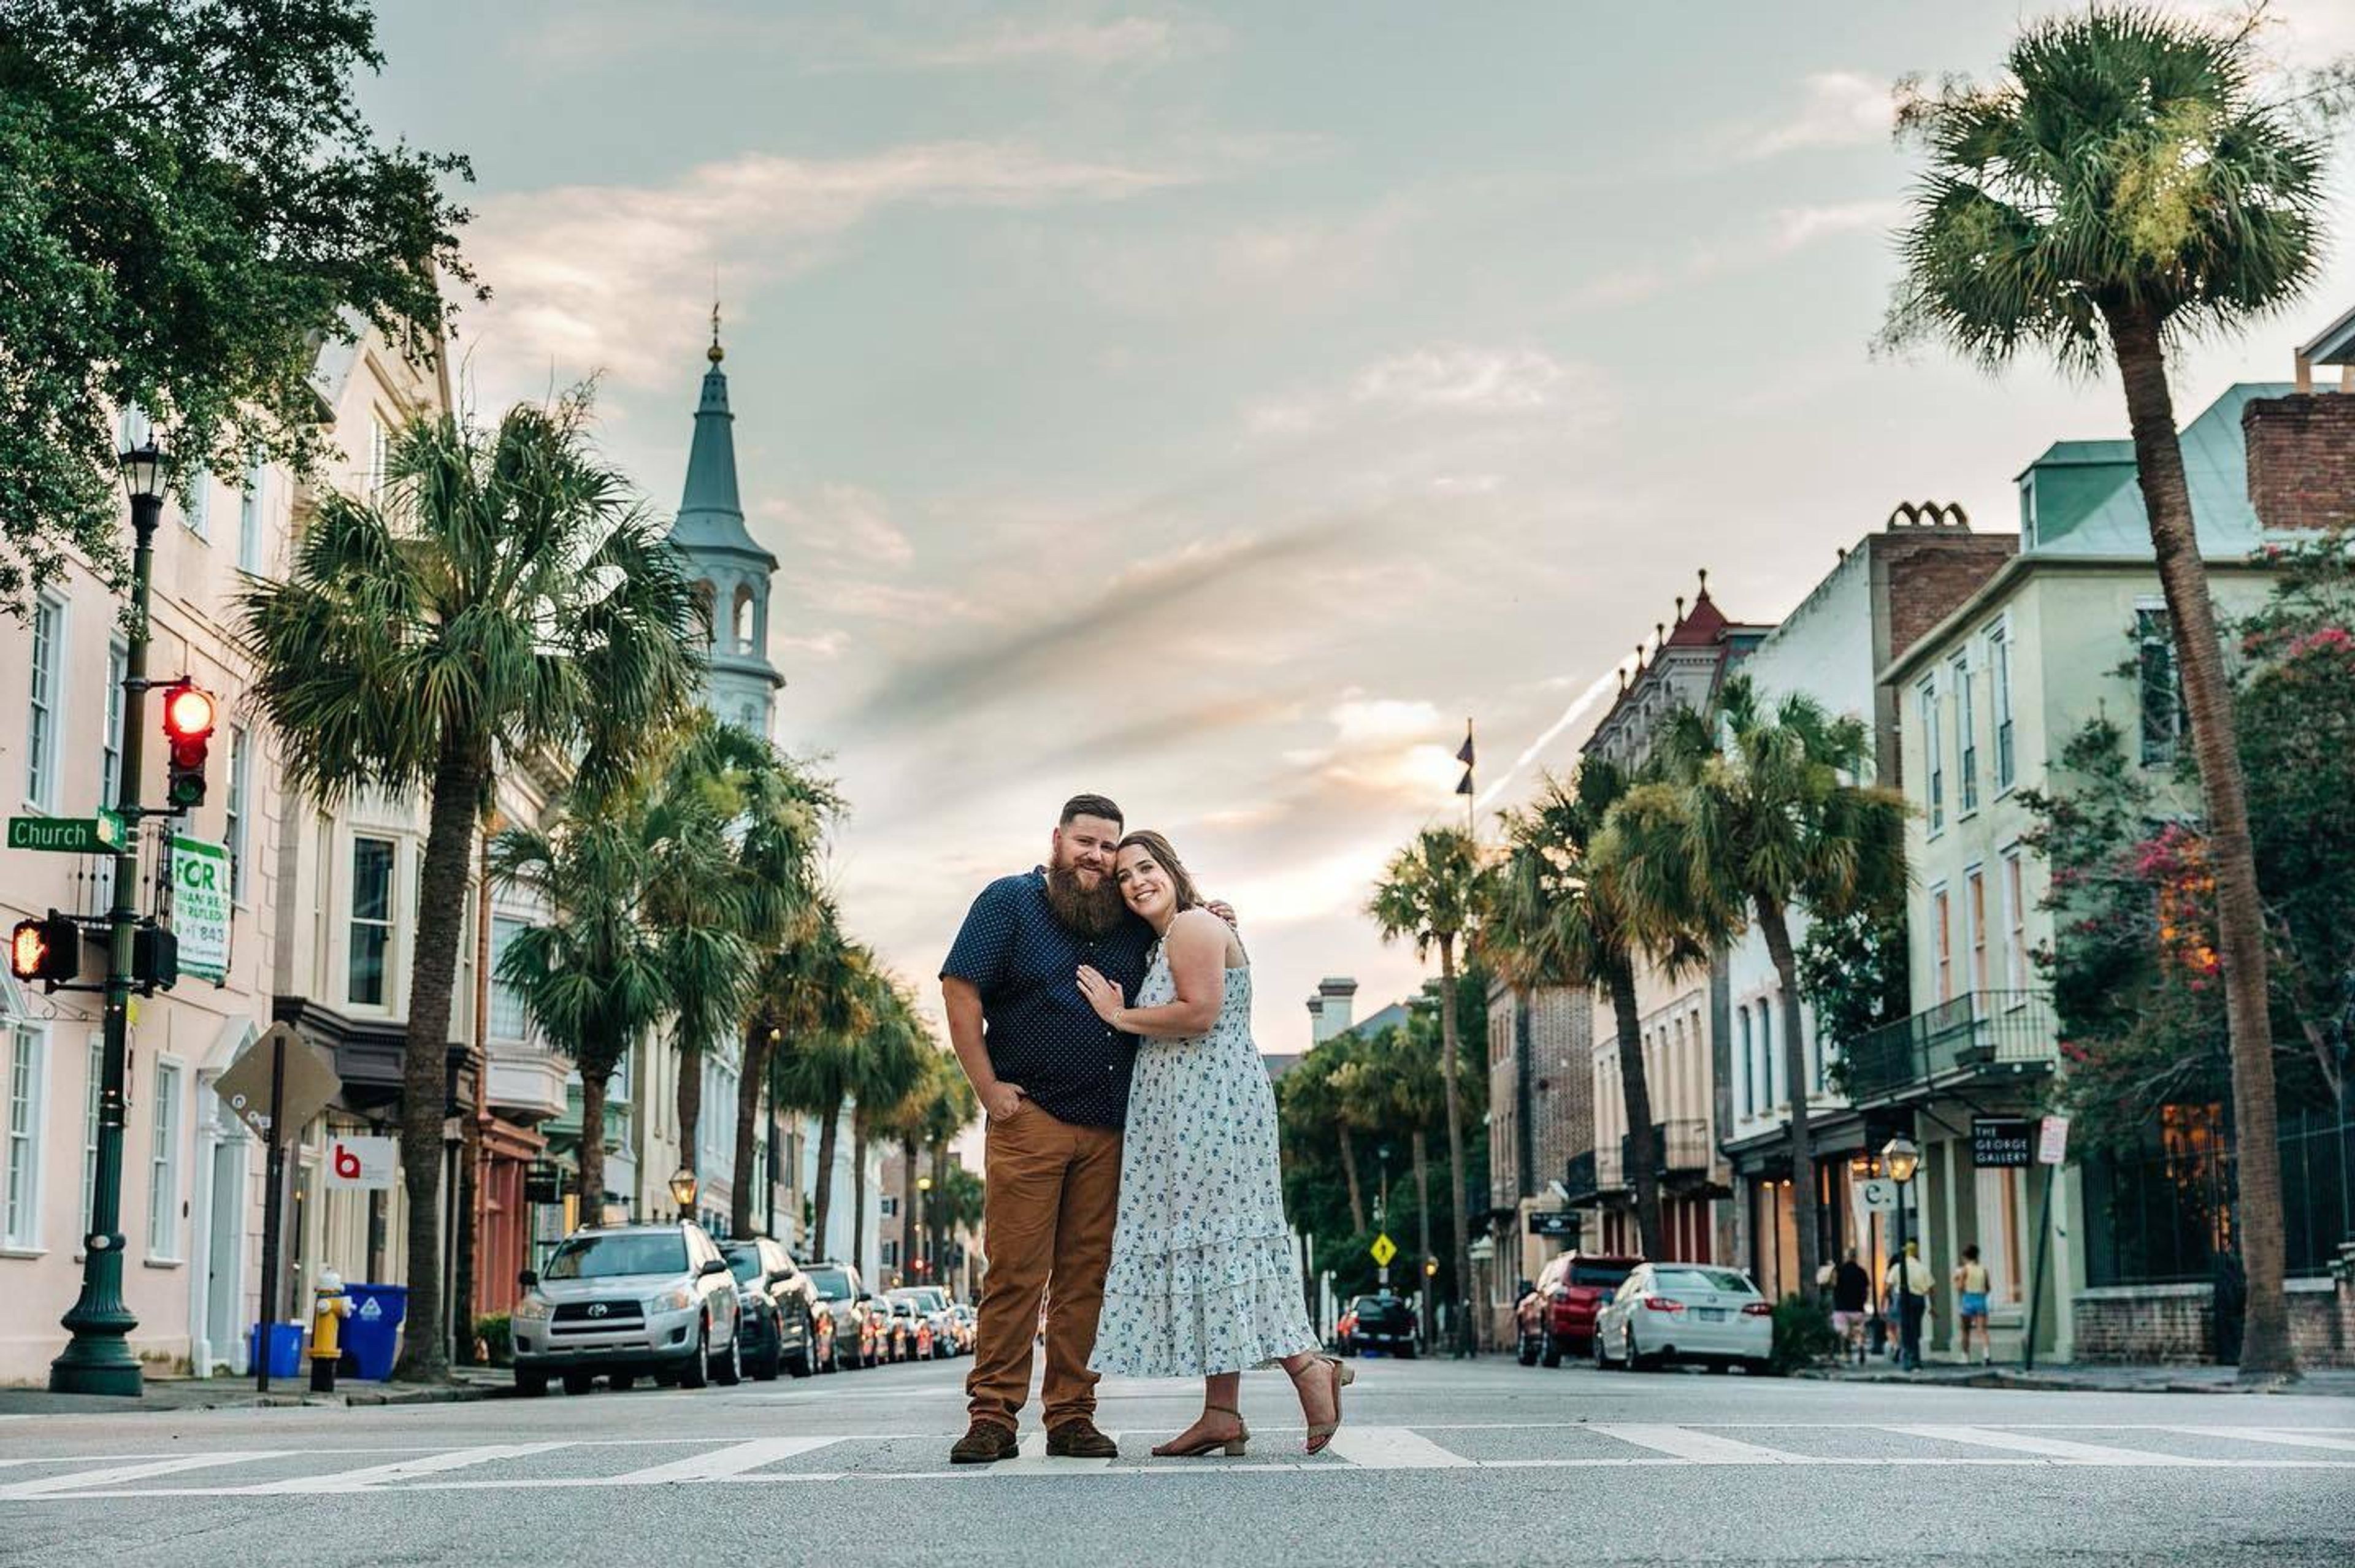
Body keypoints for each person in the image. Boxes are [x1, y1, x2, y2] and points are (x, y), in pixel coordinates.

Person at [938, 795, 1233, 1465]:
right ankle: (992, 1417)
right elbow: (961, 989)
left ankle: (1072, 1415)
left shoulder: (1129, 918)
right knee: (1015, 1272)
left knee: (1085, 1278)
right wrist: (988, 1089)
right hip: (1031, 1116)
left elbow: (1185, 938)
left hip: (1110, 1125)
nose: (1097, 857)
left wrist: (1214, 917)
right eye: (1086, 842)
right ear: (1057, 840)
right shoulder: (1009, 901)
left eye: (1108, 846)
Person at [1075, 830, 1349, 1456]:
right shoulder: (1174, 936)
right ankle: (1221, 1411)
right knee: (1212, 1247)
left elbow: (1199, 1013)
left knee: (1225, 1242)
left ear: (1171, 869)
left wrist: (1119, 1017)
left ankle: (1310, 1369)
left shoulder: (1195, 926)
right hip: (1190, 1114)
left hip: (1212, 1114)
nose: (1137, 880)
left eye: (1147, 867)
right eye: (1124, 876)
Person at [1888, 1241, 1932, 1371]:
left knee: (1905, 1328)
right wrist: (1932, 1305)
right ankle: (1914, 1357)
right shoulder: (1922, 1268)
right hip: (1918, 1300)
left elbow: (1888, 1286)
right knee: (1915, 1329)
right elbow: (1931, 1289)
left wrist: (1885, 1302)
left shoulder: (1897, 1267)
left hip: (1902, 1299)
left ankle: (1908, 1357)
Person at [1831, 1247, 1872, 1366]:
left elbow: (1833, 1285)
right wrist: (1863, 1301)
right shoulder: (1861, 1272)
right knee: (1859, 1331)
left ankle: (1847, 1355)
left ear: (1846, 1257)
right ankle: (1860, 1347)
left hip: (1841, 1308)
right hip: (1857, 1307)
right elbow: (1866, 1289)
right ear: (1855, 1257)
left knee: (1844, 1333)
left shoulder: (1839, 1271)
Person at [1953, 1243, 1993, 1365]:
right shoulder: (1983, 1270)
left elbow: (1960, 1287)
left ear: (1965, 1257)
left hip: (1968, 1299)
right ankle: (1986, 1354)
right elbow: (1988, 1288)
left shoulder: (1965, 1270)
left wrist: (1956, 1280)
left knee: (1965, 1330)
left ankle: (1965, 1357)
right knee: (1983, 1330)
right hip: (1980, 1299)